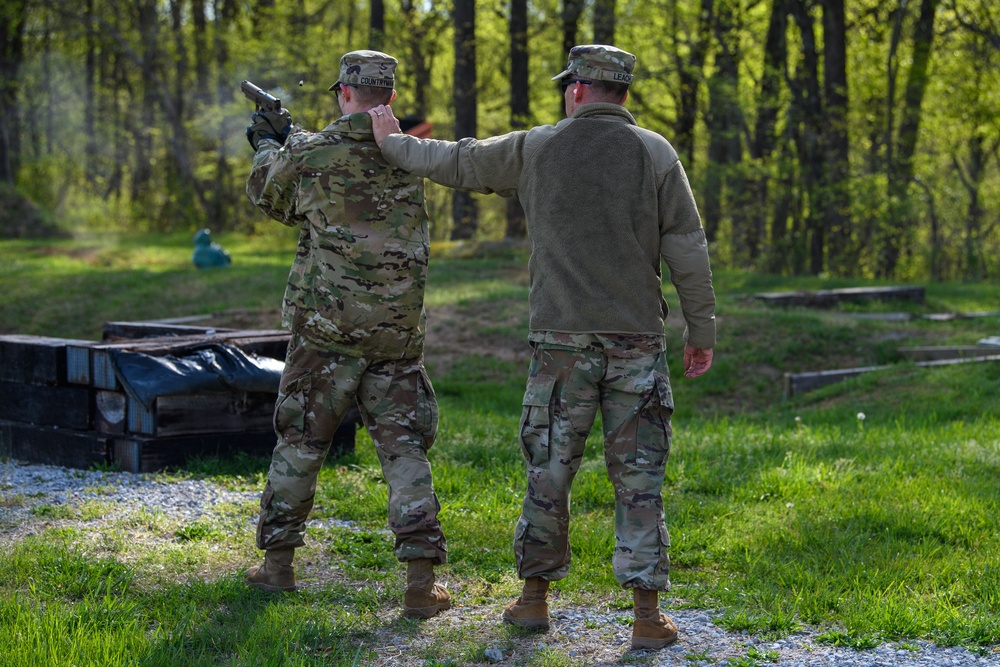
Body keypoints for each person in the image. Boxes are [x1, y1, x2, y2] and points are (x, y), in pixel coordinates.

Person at [368, 44, 716, 649]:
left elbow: (454, 161)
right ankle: (646, 618)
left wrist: (391, 139)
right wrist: (701, 332)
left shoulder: (536, 147)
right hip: (637, 344)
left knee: (549, 472)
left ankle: (533, 601)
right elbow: (687, 246)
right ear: (623, 95)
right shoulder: (656, 152)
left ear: (577, 89)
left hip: (560, 347)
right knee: (639, 480)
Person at [242, 50, 450, 620]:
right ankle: (419, 581)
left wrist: (268, 143)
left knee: (301, 443)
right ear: (391, 97)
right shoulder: (408, 153)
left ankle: (278, 567)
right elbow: (357, 165)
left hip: (326, 333)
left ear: (341, 91)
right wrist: (293, 139)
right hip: (395, 335)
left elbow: (272, 195)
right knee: (405, 450)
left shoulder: (310, 153)